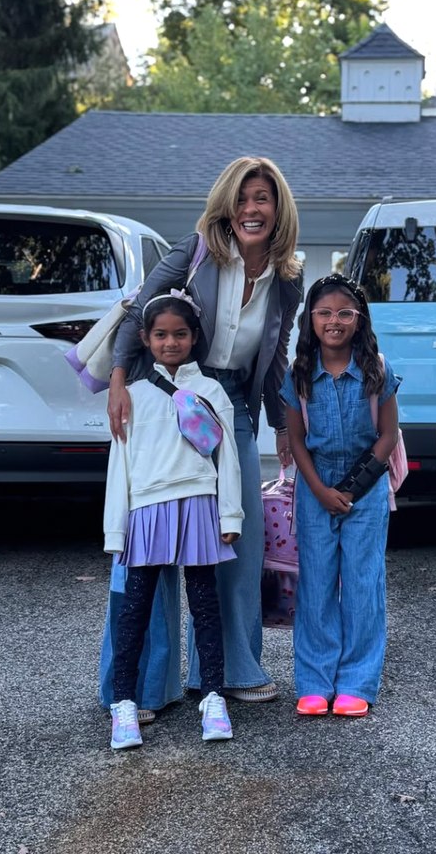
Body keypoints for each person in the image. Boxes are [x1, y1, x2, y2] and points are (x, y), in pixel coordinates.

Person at [102, 156, 302, 708]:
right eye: (241, 199)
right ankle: (146, 687)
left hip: (230, 402)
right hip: (164, 393)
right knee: (149, 539)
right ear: (225, 206)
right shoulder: (194, 253)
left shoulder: (287, 278)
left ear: (278, 208)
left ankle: (233, 671)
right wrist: (118, 380)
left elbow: (275, 355)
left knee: (237, 539)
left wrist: (281, 425)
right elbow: (137, 315)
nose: (250, 209)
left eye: (261, 198)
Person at [104, 293, 242, 750]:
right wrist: (115, 529)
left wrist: (230, 513)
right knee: (134, 611)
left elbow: (228, 458)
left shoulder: (212, 392)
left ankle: (214, 698)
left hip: (200, 504)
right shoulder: (131, 396)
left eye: (179, 334)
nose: (170, 342)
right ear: (145, 338)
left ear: (194, 337)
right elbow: (120, 465)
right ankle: (124, 703)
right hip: (146, 510)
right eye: (160, 335)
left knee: (205, 605)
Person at [279, 274, 400, 718]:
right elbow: (296, 440)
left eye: (345, 313)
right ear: (310, 319)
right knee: (316, 585)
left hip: (365, 486)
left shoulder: (377, 370)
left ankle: (356, 682)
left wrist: (350, 489)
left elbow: (388, 435)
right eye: (325, 313)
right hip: (315, 486)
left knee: (364, 583)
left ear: (359, 319)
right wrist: (319, 490)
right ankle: (314, 682)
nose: (335, 321)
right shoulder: (299, 375)